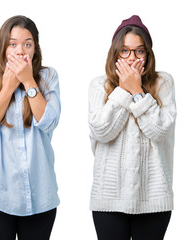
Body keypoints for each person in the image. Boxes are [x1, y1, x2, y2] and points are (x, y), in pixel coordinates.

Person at [0, 15, 61, 240]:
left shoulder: (48, 77)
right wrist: (8, 88)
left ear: (35, 49)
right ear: (3, 48)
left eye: (27, 44)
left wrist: (29, 82)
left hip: (40, 195)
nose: (20, 51)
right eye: (13, 44)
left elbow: (50, 122)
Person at [88, 15, 176, 240]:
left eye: (139, 51)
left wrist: (138, 91)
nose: (131, 58)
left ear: (147, 54)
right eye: (124, 51)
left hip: (153, 201)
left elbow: (160, 131)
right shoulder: (100, 85)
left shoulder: (163, 82)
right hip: (108, 201)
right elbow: (101, 132)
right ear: (115, 53)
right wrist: (123, 90)